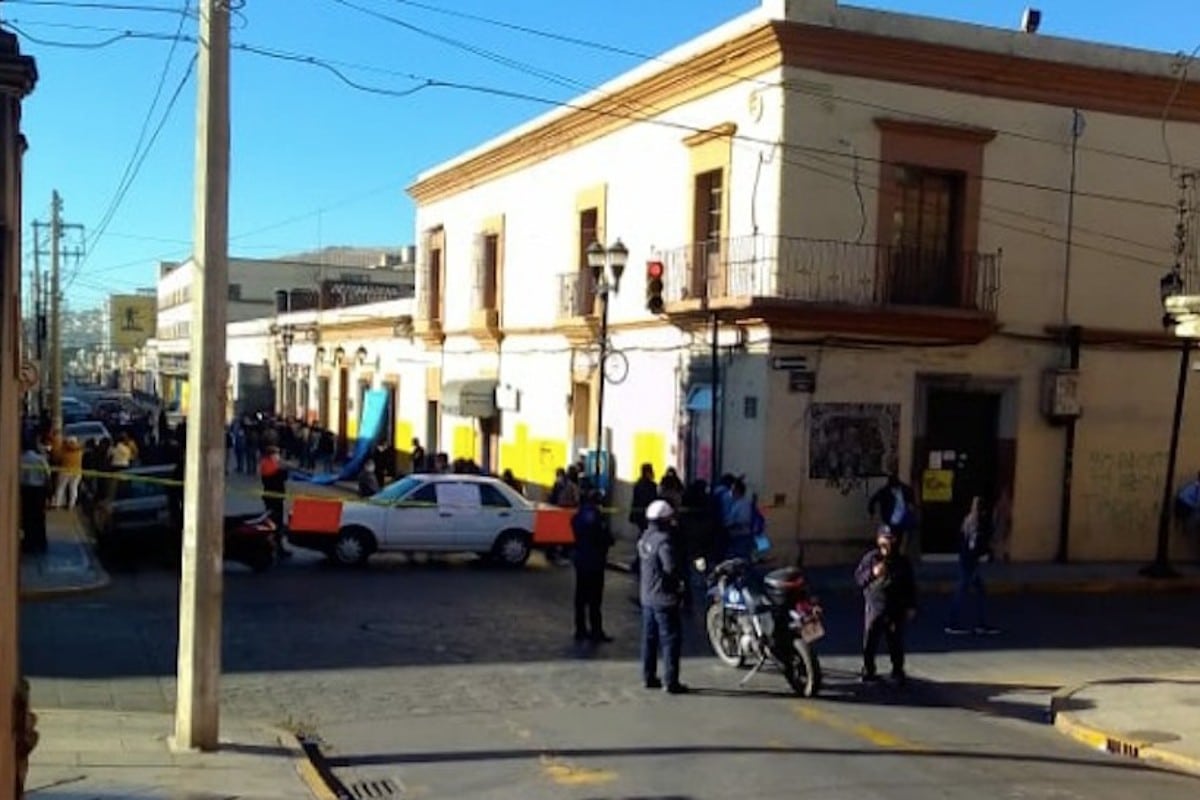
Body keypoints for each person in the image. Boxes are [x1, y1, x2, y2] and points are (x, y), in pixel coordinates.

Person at [854, 526, 917, 685]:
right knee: (871, 639)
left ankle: (897, 670)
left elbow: (910, 585)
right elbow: (859, 579)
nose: (887, 544)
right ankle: (868, 670)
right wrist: (873, 573)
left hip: (896, 606)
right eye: (884, 540)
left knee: (895, 640)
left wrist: (911, 606)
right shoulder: (871, 558)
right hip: (875, 606)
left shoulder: (902, 561)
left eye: (890, 539)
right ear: (878, 540)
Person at [638, 499, 688, 694]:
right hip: (664, 598)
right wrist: (679, 585)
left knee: (649, 639)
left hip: (647, 596)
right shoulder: (664, 541)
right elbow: (670, 568)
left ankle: (648, 676)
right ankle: (670, 680)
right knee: (670, 640)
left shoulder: (644, 538)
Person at [945, 497, 1000, 636]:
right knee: (962, 592)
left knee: (977, 591)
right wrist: (984, 552)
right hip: (970, 563)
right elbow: (973, 545)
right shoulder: (976, 523)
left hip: (966, 560)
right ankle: (955, 623)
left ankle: (979, 623)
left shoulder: (968, 519)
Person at [571, 487, 614, 642]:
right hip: (595, 562)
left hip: (581, 560)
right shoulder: (598, 517)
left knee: (580, 598)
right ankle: (596, 631)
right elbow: (605, 538)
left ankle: (580, 629)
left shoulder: (578, 516)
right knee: (595, 600)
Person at [19, 438, 51, 554]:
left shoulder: (20, 459)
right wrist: (49, 492)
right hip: (39, 490)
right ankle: (40, 541)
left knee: (27, 517)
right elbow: (47, 475)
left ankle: (29, 541)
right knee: (39, 516)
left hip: (26, 489)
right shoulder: (40, 459)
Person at [868, 473, 917, 547]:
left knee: (894, 534)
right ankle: (895, 551)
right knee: (898, 534)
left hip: (890, 516)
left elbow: (873, 500)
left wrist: (871, 511)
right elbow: (911, 499)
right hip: (899, 517)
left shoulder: (884, 491)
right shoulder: (904, 489)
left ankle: (893, 550)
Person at [259, 445, 291, 557]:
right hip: (274, 499)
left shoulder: (266, 463)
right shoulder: (269, 465)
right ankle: (276, 548)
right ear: (271, 455)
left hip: (272, 498)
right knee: (276, 524)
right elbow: (280, 476)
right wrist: (284, 468)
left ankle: (276, 546)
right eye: (276, 454)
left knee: (274, 523)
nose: (278, 456)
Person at [53, 436, 84, 510]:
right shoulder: (79, 451)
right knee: (73, 488)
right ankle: (71, 505)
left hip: (65, 471)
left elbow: (57, 458)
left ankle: (57, 504)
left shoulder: (64, 450)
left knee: (61, 488)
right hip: (77, 471)